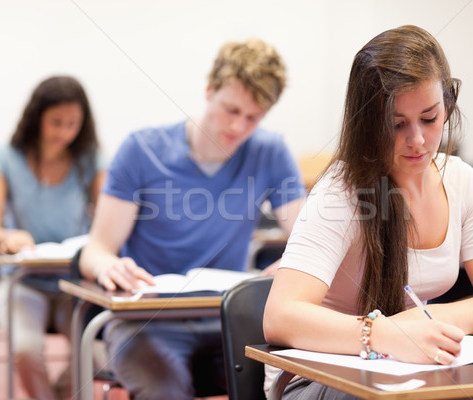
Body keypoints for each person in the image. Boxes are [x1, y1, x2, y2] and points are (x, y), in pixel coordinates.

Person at [263, 25, 473, 399]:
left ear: (447, 105)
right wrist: (386, 333)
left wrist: (422, 321)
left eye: (430, 118)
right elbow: (280, 316)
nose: (417, 140)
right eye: (397, 124)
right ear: (368, 124)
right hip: (319, 375)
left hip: (406, 369)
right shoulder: (340, 192)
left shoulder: (462, 181)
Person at [79, 38, 306, 400]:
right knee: (164, 387)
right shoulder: (141, 150)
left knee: (287, 386)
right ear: (209, 90)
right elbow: (97, 248)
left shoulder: (269, 151)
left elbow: (307, 243)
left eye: (253, 118)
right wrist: (108, 266)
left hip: (226, 321)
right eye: (230, 109)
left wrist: (293, 266)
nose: (238, 127)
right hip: (148, 325)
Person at [0, 75, 106, 400]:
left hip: (73, 283)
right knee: (25, 349)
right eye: (56, 122)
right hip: (23, 281)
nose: (64, 132)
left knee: (96, 355)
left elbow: (108, 220)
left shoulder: (89, 159)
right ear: (37, 117)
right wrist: (8, 236)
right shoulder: (6, 158)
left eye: (72, 124)